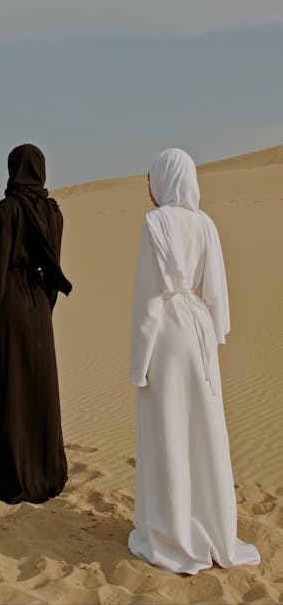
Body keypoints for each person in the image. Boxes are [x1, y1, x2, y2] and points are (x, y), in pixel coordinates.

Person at [128, 148, 260, 573]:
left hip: (167, 334)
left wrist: (138, 363)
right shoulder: (205, 224)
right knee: (203, 430)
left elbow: (148, 302)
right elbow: (216, 290)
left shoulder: (155, 224)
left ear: (164, 180)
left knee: (167, 429)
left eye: (151, 178)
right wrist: (212, 330)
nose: (148, 187)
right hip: (199, 332)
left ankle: (170, 533)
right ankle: (211, 524)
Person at [0, 143, 72, 504]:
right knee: (39, 389)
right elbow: (55, 268)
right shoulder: (53, 211)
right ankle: (47, 474)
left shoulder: (8, 209)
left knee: (9, 388)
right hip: (39, 305)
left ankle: (12, 476)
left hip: (8, 303)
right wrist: (44, 307)